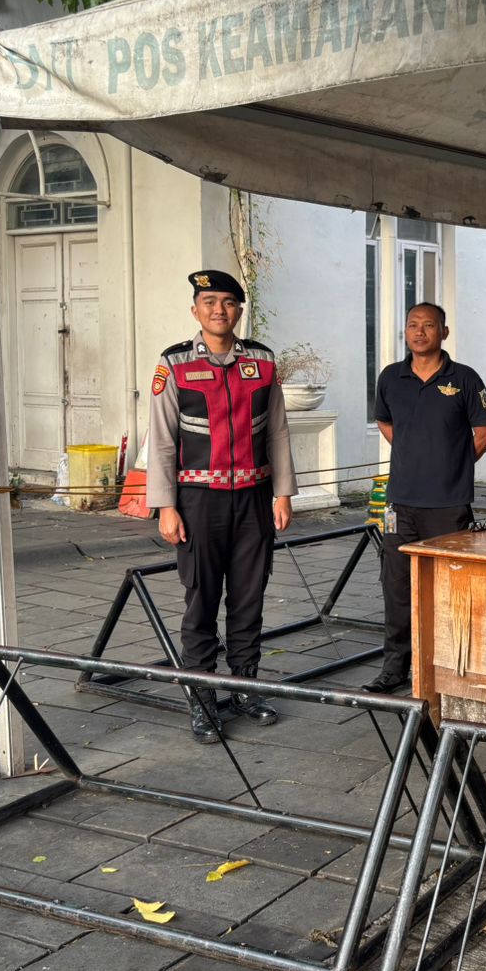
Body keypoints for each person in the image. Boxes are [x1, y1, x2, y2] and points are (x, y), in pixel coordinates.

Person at [147, 270, 296, 743]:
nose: (219, 310)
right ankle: (203, 695)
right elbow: (163, 442)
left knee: (250, 595)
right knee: (202, 599)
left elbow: (277, 431)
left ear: (239, 311)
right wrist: (165, 506)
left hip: (253, 497)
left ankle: (245, 685)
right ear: (195, 310)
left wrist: (284, 492)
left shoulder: (262, 363)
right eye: (209, 301)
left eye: (228, 302)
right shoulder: (174, 365)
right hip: (197, 501)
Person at [368, 302, 486, 693]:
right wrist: (414, 454)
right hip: (400, 502)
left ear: (444, 332)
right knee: (398, 585)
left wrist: (450, 464)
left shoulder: (465, 379)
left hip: (448, 504)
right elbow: (385, 421)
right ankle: (395, 668)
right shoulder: (391, 377)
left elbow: (485, 433)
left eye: (428, 325)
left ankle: (447, 668)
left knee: (447, 589)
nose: (419, 332)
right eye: (412, 325)